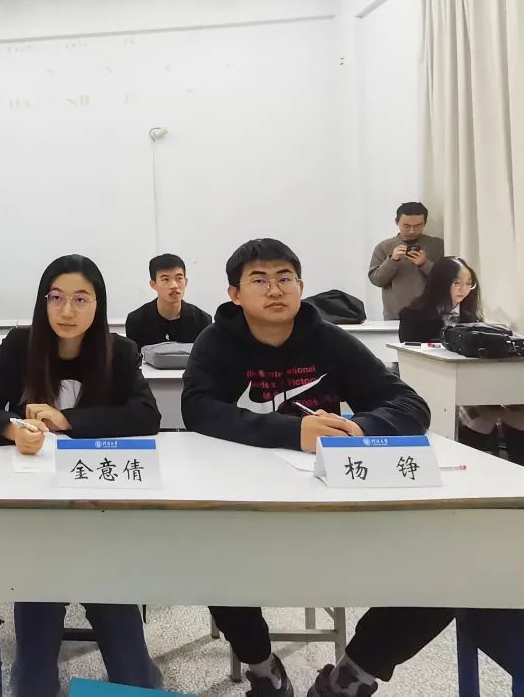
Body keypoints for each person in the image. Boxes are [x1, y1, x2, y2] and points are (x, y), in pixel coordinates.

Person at [182, 238, 449, 697]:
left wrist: (358, 429)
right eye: (259, 280)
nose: (275, 289)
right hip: (245, 501)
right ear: (234, 294)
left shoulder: (327, 339)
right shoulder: (217, 342)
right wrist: (294, 432)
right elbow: (198, 409)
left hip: (333, 498)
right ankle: (263, 669)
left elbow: (410, 404)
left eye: (285, 278)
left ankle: (353, 675)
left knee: (448, 571)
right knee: (207, 555)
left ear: (301, 287)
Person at [0, 254, 162, 697]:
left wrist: (68, 420)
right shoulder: (21, 345)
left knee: (128, 659)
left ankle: (136, 679)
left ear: (98, 304)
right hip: (36, 512)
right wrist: (12, 429)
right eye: (56, 298)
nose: (67, 311)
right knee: (34, 663)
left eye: (80, 299)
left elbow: (146, 415)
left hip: (101, 512)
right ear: (43, 302)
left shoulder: (119, 351)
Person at [399, 256, 524, 461]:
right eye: (457, 283)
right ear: (440, 282)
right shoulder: (414, 315)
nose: (463, 290)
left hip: (478, 383)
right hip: (437, 383)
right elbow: (410, 352)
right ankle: (465, 461)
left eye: (468, 284)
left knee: (518, 410)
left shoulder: (470, 316)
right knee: (484, 413)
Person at [368, 202, 445, 319]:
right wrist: (392, 260)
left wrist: (425, 264)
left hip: (432, 315)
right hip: (396, 317)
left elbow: (447, 280)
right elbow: (376, 280)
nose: (412, 231)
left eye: (418, 225)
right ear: (397, 222)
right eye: (406, 226)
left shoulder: (438, 246)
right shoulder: (383, 247)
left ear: (425, 223)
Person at [124, 253, 212, 349]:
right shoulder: (137, 321)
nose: (174, 285)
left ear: (186, 282)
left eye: (179, 278)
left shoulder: (202, 320)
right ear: (153, 284)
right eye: (166, 279)